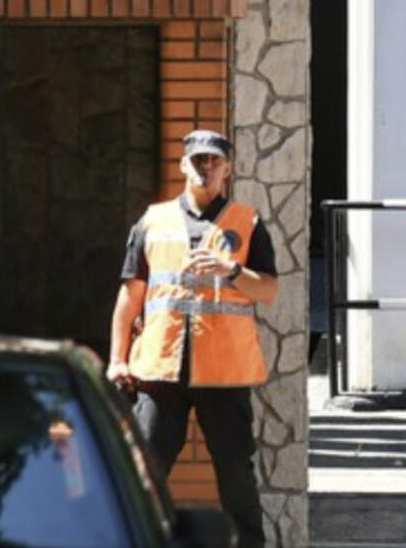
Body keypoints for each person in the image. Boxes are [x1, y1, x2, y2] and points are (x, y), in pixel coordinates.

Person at [106, 130, 279, 548]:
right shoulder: (153, 221)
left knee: (237, 476)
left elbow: (269, 292)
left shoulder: (247, 222)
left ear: (227, 168)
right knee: (143, 473)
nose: (206, 167)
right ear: (183, 165)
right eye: (198, 160)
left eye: (214, 160)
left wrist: (231, 271)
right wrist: (117, 359)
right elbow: (130, 297)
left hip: (224, 374)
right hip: (161, 370)